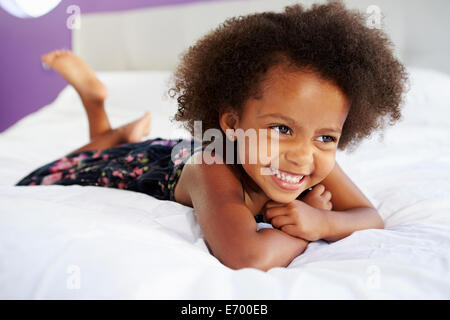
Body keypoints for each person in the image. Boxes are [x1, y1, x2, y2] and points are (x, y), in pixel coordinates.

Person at [16, 1, 408, 272]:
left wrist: (324, 223)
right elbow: (245, 256)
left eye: (326, 137)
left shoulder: (309, 158)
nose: (303, 157)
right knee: (88, 159)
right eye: (282, 129)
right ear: (232, 122)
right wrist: (308, 229)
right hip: (148, 168)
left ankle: (112, 129)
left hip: (178, 151)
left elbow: (370, 217)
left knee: (143, 147)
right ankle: (99, 114)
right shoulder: (211, 170)